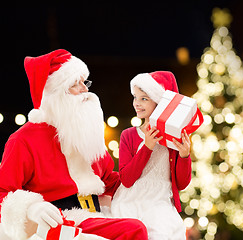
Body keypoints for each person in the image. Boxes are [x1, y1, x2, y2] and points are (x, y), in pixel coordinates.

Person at [0, 49, 148, 240]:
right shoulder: (23, 140)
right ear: (55, 92)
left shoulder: (85, 131)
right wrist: (31, 207)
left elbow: (108, 180)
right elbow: (3, 191)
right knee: (133, 230)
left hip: (96, 214)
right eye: (74, 84)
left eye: (83, 82)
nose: (85, 90)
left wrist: (146, 178)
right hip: (62, 222)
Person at [111, 71, 192, 240]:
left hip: (161, 203)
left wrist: (184, 156)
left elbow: (182, 183)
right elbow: (126, 179)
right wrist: (147, 147)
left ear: (160, 103)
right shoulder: (129, 135)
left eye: (144, 99)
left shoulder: (174, 140)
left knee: (165, 233)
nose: (136, 103)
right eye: (135, 97)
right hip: (131, 201)